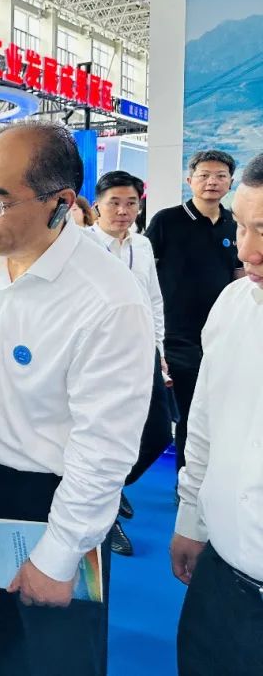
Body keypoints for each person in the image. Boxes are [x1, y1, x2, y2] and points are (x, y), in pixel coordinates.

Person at [0, 123, 153, 676]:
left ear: (60, 203)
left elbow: (105, 447)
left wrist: (62, 551)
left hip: (50, 502)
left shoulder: (108, 300)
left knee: (56, 656)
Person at [171, 152, 263, 676]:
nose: (247, 251)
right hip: (220, 575)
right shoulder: (233, 305)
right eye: (242, 228)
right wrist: (192, 517)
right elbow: (203, 423)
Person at [88, 171, 170, 557]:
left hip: (142, 350)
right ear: (97, 206)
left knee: (157, 432)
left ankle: (115, 484)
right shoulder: (82, 245)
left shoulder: (143, 244)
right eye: (114, 203)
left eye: (131, 203)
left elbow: (153, 298)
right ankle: (106, 517)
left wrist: (159, 348)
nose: (123, 211)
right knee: (102, 434)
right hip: (99, 354)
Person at [146, 149, 242, 472]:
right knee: (189, 412)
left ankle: (211, 477)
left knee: (218, 412)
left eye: (220, 176)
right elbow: (144, 274)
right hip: (178, 336)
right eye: (204, 175)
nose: (212, 182)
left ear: (230, 182)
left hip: (222, 336)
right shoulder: (166, 221)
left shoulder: (234, 223)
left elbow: (240, 275)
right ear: (190, 180)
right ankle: (186, 482)